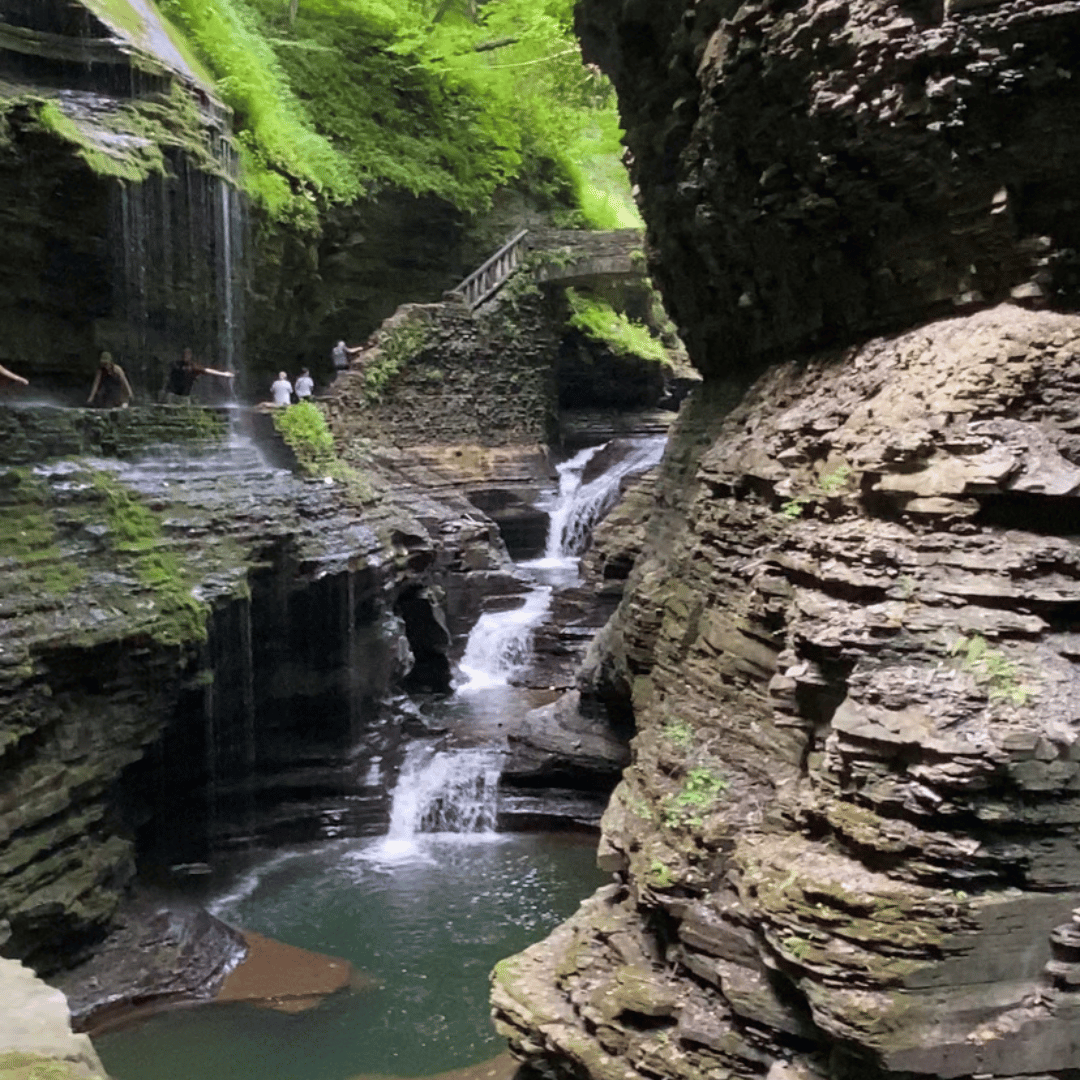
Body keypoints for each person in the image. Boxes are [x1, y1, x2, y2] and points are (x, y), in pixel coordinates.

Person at [164, 348, 235, 403]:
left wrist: (223, 374)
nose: (186, 356)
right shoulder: (175, 365)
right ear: (181, 356)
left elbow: (207, 370)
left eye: (188, 354)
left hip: (184, 395)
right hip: (172, 393)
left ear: (190, 356)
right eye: (184, 354)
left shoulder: (193, 367)